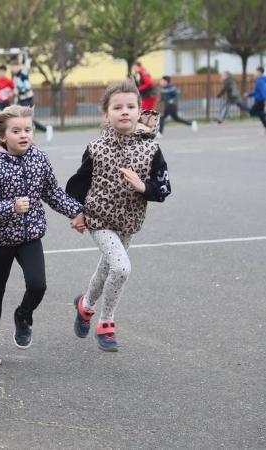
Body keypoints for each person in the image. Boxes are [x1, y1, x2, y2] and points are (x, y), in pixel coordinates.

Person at [66, 80, 171, 352]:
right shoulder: (96, 147)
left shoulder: (152, 150)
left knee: (106, 269)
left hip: (129, 221)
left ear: (139, 111)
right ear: (106, 114)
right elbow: (79, 182)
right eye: (117, 107)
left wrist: (143, 187)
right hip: (98, 218)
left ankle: (85, 306)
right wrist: (77, 213)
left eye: (130, 106)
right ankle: (106, 322)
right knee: (122, 267)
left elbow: (163, 188)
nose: (124, 111)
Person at [0, 105, 83, 365]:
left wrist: (77, 212)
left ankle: (23, 316)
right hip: (0, 238)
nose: (24, 135)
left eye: (28, 129)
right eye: (16, 131)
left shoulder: (39, 159)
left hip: (30, 234)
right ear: (2, 136)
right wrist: (11, 207)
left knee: (38, 284)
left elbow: (53, 193)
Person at [10, 61, 53, 142]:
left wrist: (19, 91)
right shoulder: (16, 76)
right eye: (12, 67)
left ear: (18, 66)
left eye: (14, 67)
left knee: (27, 119)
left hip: (27, 100)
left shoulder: (22, 75)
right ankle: (39, 131)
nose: (13, 69)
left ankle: (46, 129)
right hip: (21, 100)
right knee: (23, 118)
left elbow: (27, 87)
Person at [247, 67, 266, 132]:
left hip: (260, 100)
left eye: (256, 72)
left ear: (259, 72)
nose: (254, 73)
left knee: (252, 112)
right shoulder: (260, 80)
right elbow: (256, 91)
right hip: (259, 99)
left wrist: (264, 99)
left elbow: (263, 91)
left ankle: (264, 114)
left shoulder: (260, 81)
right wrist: (249, 94)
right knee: (261, 116)